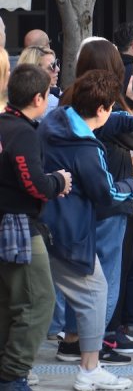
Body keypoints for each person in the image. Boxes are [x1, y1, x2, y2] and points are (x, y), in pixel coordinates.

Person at [40, 69, 133, 391]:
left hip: (42, 228)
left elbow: (115, 119)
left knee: (36, 300)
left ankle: (21, 365)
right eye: (110, 107)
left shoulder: (57, 120)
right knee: (95, 294)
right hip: (69, 233)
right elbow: (107, 193)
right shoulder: (86, 149)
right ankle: (89, 368)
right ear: (100, 109)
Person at [0, 64, 72, 389]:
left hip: (9, 223)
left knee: (10, 301)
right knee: (39, 301)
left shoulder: (6, 127)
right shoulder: (22, 133)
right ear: (40, 98)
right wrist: (59, 181)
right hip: (18, 227)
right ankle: (14, 374)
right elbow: (35, 185)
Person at [15, 46, 60, 117]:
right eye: (52, 66)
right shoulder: (53, 104)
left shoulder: (13, 99)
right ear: (35, 71)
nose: (57, 69)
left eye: (57, 63)